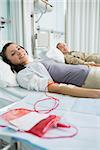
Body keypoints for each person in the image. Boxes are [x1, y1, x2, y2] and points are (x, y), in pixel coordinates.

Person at [1, 42, 100, 98]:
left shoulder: (37, 61)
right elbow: (58, 88)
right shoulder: (23, 75)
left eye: (19, 48)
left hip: (91, 70)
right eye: (13, 53)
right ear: (9, 62)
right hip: (89, 78)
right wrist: (95, 93)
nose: (19, 52)